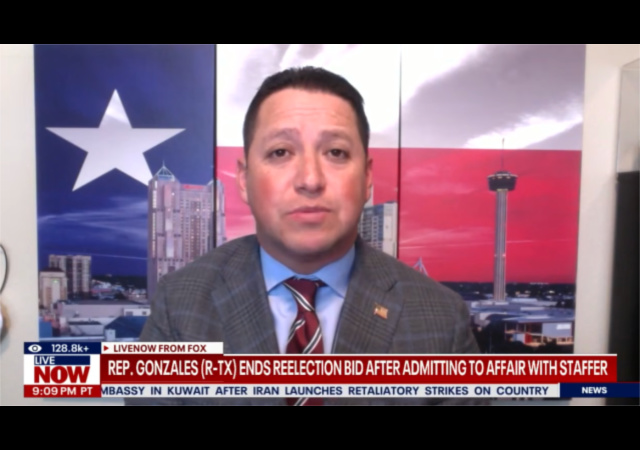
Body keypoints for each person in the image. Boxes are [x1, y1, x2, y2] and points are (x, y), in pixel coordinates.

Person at [130, 67, 482, 405]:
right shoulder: (180, 304)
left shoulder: (440, 319)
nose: (310, 180)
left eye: (336, 153)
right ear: (244, 180)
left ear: (367, 178)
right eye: (280, 152)